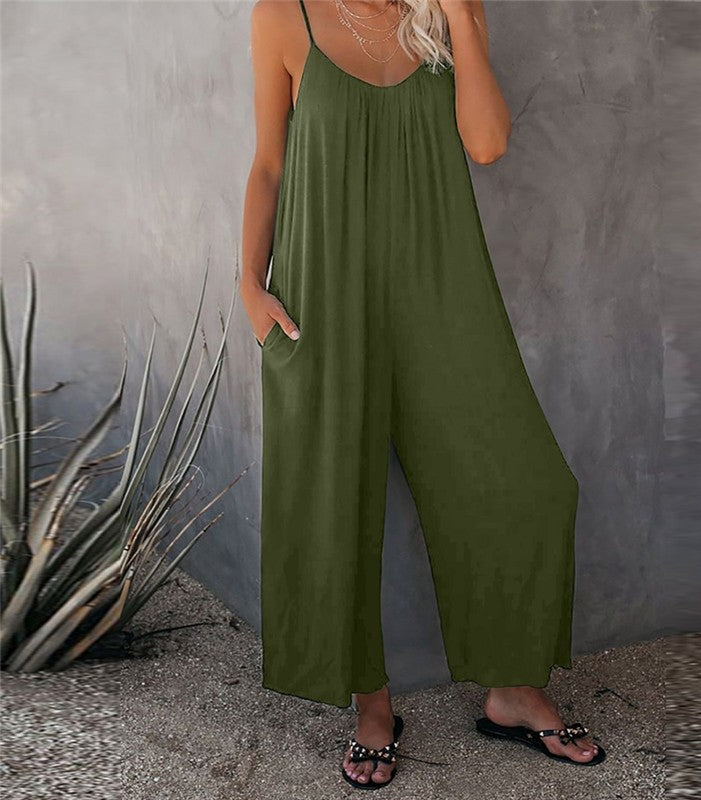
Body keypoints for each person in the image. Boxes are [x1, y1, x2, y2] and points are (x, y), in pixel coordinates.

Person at [240, 0, 605, 789]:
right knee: (335, 497)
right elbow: (270, 161)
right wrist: (249, 284)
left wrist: (462, 18)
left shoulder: (446, 16)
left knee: (529, 484)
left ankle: (511, 689)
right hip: (321, 286)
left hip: (443, 282)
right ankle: (372, 706)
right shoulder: (283, 15)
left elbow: (488, 142)